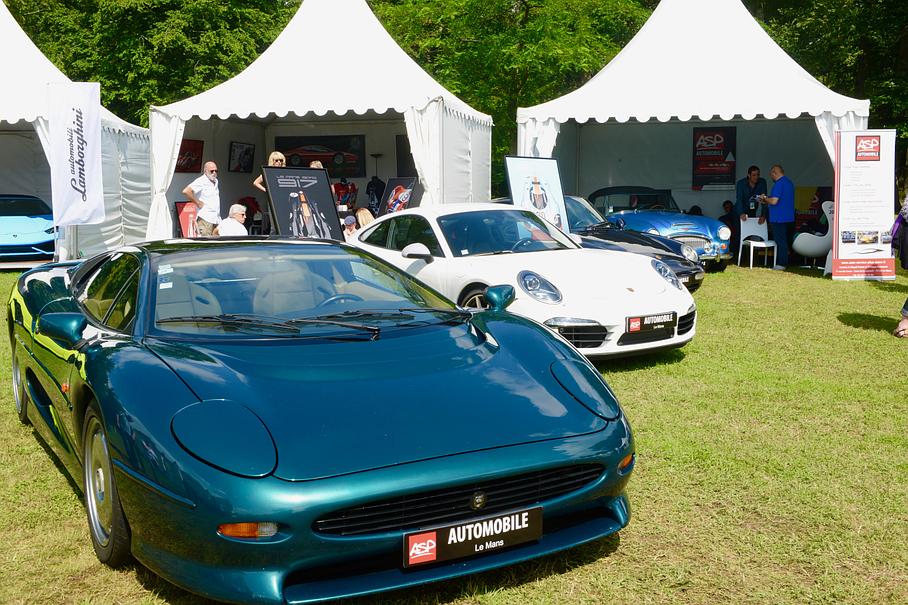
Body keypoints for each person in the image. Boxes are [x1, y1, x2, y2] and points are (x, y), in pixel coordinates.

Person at [760, 164, 795, 269]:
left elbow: (774, 201)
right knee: (786, 241)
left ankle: (781, 264)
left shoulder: (778, 184)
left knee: (780, 241)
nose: (771, 177)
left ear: (774, 173)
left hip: (778, 218)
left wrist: (765, 198)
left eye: (771, 175)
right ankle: (787, 262)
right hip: (789, 217)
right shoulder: (789, 183)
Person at [182, 161, 221, 236]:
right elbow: (186, 191)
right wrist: (197, 202)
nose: (214, 173)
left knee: (215, 244)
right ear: (205, 171)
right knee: (205, 243)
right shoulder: (201, 181)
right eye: (212, 171)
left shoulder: (215, 181)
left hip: (216, 218)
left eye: (216, 171)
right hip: (205, 218)